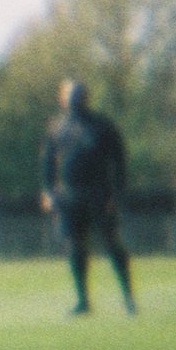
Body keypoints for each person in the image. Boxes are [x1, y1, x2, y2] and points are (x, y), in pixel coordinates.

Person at [42, 80, 136, 316]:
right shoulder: (57, 127)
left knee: (111, 244)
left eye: (78, 95)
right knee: (75, 247)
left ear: (86, 98)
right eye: (70, 96)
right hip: (69, 196)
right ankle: (83, 300)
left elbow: (119, 161)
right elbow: (48, 162)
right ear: (62, 99)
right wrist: (49, 192)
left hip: (99, 194)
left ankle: (128, 297)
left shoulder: (102, 125)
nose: (74, 100)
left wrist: (116, 194)